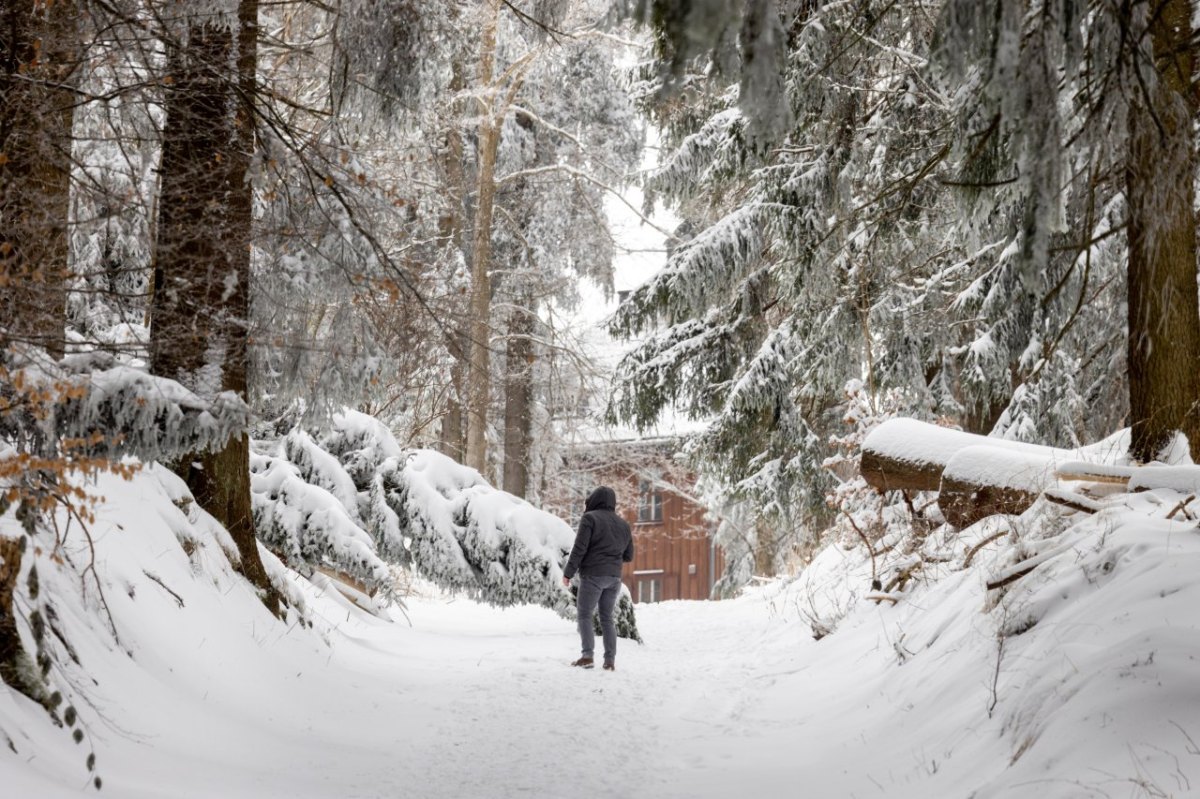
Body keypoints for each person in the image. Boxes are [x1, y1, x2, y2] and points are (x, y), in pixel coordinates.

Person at [562, 485, 634, 671]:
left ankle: (587, 656)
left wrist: (568, 572)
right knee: (607, 618)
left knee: (584, 614)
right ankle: (610, 661)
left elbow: (580, 548)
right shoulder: (623, 525)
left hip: (593, 575)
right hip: (614, 578)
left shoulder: (590, 518)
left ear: (594, 500)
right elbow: (628, 556)